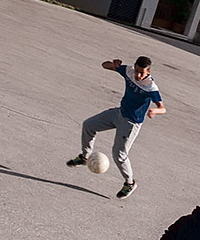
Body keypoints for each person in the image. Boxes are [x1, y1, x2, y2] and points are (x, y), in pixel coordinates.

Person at [67, 55, 165, 199]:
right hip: (118, 113)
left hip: (131, 124)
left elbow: (162, 108)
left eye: (142, 73)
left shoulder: (151, 87)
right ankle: (84, 157)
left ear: (148, 72)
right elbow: (104, 65)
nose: (138, 75)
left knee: (119, 155)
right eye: (137, 70)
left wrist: (154, 111)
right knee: (89, 125)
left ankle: (130, 183)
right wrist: (112, 64)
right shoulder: (129, 72)